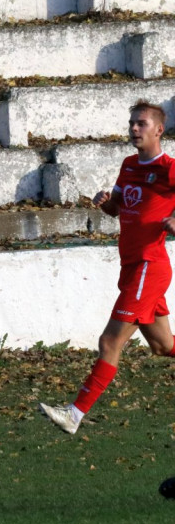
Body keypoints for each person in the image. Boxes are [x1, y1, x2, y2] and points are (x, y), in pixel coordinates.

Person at [40, 100, 175, 434]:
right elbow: (118, 210)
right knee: (163, 346)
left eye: (141, 123)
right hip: (131, 267)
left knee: (109, 343)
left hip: (149, 265)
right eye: (131, 123)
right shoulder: (129, 165)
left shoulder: (169, 168)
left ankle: (74, 414)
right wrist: (107, 202)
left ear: (159, 130)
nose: (133, 128)